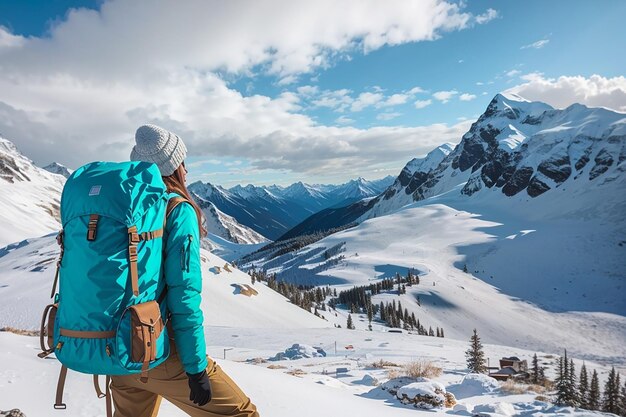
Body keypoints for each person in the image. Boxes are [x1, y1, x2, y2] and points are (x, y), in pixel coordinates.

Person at [110, 124, 259, 417]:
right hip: (159, 352)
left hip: (119, 351)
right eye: (182, 162)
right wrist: (195, 368)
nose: (187, 169)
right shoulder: (176, 209)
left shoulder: (123, 207)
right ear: (174, 167)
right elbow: (184, 295)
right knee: (243, 413)